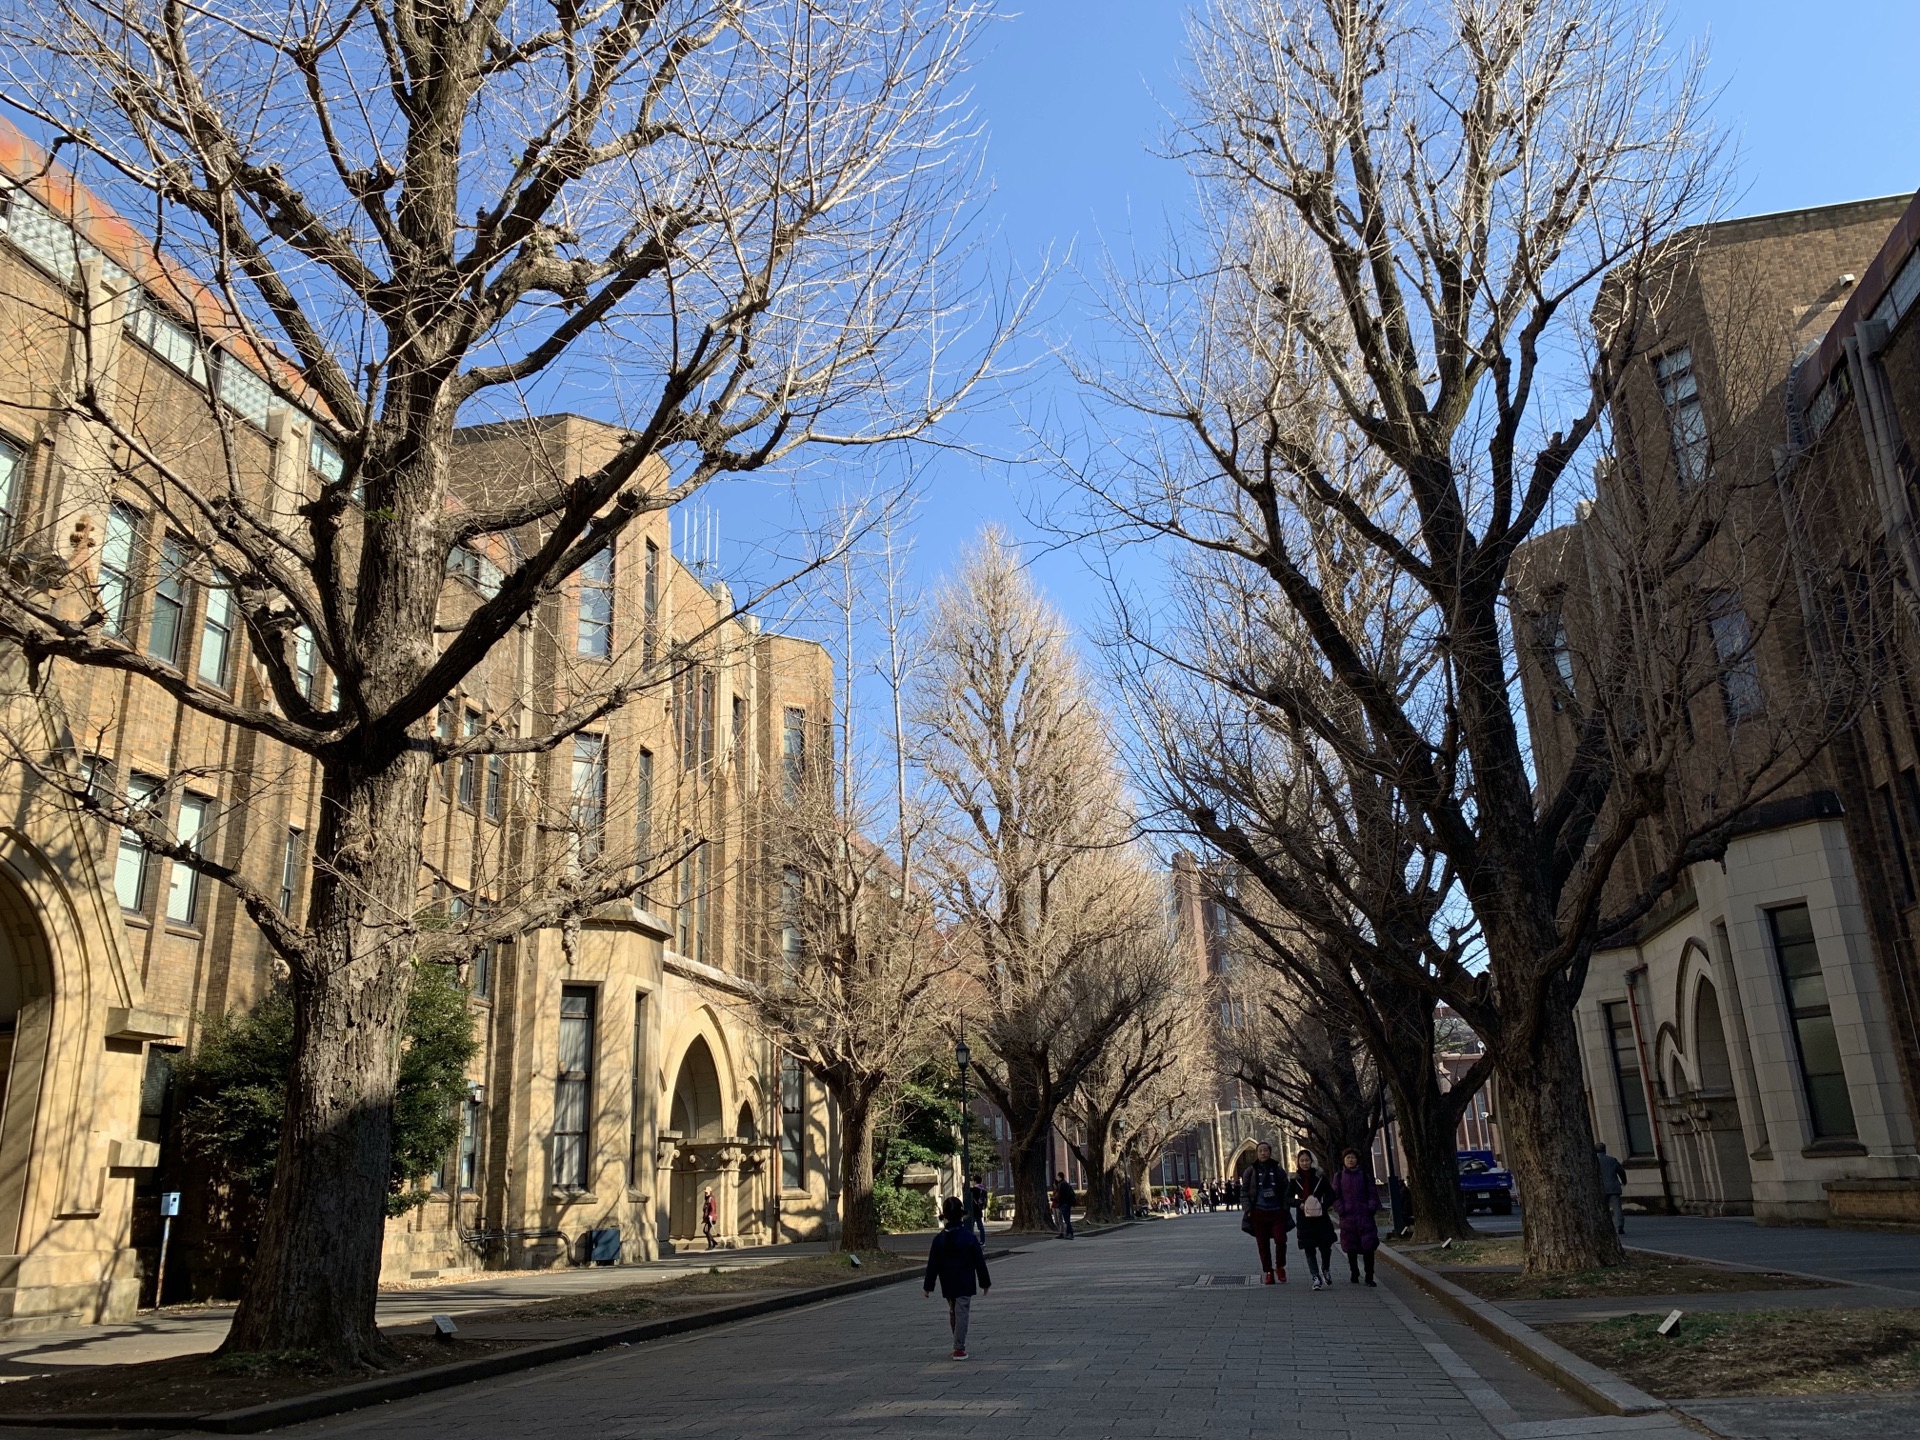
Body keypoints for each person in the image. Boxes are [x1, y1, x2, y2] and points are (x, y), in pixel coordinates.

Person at [924, 1195, 992, 1360]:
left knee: (953, 1311)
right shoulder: (968, 1237)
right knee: (962, 1312)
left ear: (944, 1215)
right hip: (965, 1280)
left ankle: (957, 1342)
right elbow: (979, 1261)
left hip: (947, 1281)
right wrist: (985, 1282)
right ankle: (959, 1347)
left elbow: (932, 1264)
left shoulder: (939, 1239)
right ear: (962, 1214)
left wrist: (928, 1285)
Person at [1241, 1143, 1296, 1284]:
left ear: (1270, 1152)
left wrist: (1285, 1208)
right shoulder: (1250, 1171)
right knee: (1262, 1244)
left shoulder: (1278, 1171)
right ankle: (1268, 1271)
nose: (1263, 1153)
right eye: (1260, 1151)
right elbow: (1244, 1192)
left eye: (1266, 1150)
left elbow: (1286, 1191)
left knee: (1280, 1240)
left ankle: (1279, 1266)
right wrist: (1248, 1210)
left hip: (1276, 1211)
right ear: (1257, 1153)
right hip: (1259, 1212)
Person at [1332, 1148, 1379, 1285]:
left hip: (1365, 1217)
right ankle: (1354, 1272)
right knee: (1350, 1248)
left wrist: (1370, 1208)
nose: (1351, 1160)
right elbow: (1336, 1195)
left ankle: (1369, 1276)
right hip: (1348, 1217)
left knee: (1368, 1247)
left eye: (1353, 1157)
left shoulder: (1364, 1176)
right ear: (1344, 1160)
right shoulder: (1339, 1176)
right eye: (1348, 1158)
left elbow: (1372, 1194)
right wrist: (1341, 1209)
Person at [1292, 1149, 1337, 1291]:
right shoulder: (1295, 1179)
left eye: (1307, 1160)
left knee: (1325, 1247)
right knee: (1309, 1248)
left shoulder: (1320, 1177)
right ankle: (1315, 1276)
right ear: (1298, 1163)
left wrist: (1322, 1205)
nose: (1305, 1163)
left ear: (1312, 1161)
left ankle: (1326, 1268)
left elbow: (1331, 1194)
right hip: (1304, 1219)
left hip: (1320, 1217)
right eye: (1302, 1161)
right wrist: (1298, 1204)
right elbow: (1286, 1198)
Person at [1596, 1143, 1628, 1235]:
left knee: (1602, 1208)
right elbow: (1621, 1171)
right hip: (1613, 1187)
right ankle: (1620, 1226)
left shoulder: (1593, 1161)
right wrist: (1624, 1181)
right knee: (1617, 1208)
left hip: (1600, 1188)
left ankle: (1605, 1226)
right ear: (1604, 1150)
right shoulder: (1612, 1160)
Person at [1052, 1172, 1077, 1239]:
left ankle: (1070, 1234)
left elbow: (1061, 1196)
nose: (1056, 1178)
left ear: (1060, 1177)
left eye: (1057, 1176)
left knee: (1066, 1220)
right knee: (1066, 1219)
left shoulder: (1061, 1184)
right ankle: (1067, 1233)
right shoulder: (1065, 1184)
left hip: (1064, 1204)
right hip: (1067, 1203)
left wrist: (1059, 1203)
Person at [1388, 1174, 1413, 1238]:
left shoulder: (1403, 1191)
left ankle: (1403, 1232)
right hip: (1407, 1210)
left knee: (1405, 1220)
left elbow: (1401, 1201)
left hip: (1406, 1210)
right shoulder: (1405, 1190)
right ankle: (1404, 1231)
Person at [968, 1174, 990, 1243]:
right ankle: (982, 1241)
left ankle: (971, 1241)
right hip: (979, 1210)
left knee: (970, 1227)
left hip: (973, 1210)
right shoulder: (983, 1190)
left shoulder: (973, 1189)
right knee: (981, 1227)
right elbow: (985, 1201)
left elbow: (966, 1192)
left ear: (975, 1181)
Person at [700, 1187, 718, 1251]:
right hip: (708, 1218)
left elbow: (713, 1208)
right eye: (705, 1192)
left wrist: (710, 1215)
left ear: (710, 1192)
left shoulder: (711, 1199)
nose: (706, 1193)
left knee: (706, 1231)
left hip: (711, 1218)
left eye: (707, 1192)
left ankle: (711, 1245)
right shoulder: (707, 1199)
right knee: (706, 1231)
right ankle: (713, 1242)